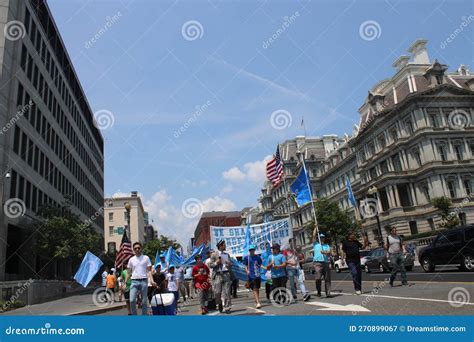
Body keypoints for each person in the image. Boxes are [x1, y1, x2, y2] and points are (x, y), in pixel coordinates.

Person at [125, 242, 156, 315]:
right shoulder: (131, 259)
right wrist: (125, 282)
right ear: (133, 250)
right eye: (135, 248)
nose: (137, 249)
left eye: (138, 248)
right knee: (132, 300)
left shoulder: (146, 258)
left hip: (144, 281)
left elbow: (149, 271)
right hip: (134, 281)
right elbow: (128, 272)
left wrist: (152, 281)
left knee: (144, 301)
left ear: (141, 249)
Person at [209, 240, 233, 313]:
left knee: (227, 292)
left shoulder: (227, 255)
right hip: (217, 275)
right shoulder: (214, 254)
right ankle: (219, 303)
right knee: (217, 292)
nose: (225, 246)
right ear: (220, 246)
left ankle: (227, 307)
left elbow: (230, 265)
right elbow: (210, 265)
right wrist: (216, 263)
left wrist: (229, 264)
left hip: (226, 274)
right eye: (224, 245)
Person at [312, 233, 332, 298]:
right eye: (320, 237)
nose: (322, 238)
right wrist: (315, 227)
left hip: (325, 262)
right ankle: (319, 291)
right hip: (317, 263)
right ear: (318, 238)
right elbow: (314, 235)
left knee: (327, 278)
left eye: (323, 237)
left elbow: (329, 253)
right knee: (318, 278)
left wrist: (324, 252)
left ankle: (328, 293)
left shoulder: (327, 245)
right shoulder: (316, 244)